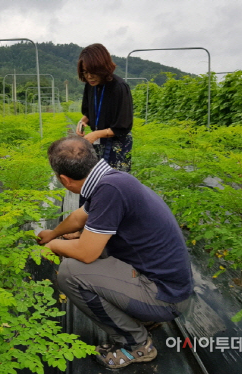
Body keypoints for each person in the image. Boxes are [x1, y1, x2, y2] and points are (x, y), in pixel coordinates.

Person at [37, 136, 194, 370]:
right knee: (90, 248)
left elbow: (87, 253)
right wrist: (53, 233)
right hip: (166, 284)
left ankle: (136, 345)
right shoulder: (112, 180)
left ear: (64, 180)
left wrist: (52, 246)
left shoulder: (110, 190)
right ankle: (142, 317)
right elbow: (80, 217)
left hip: (165, 297)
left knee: (70, 272)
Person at [76, 43, 133, 172]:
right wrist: (83, 121)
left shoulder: (119, 87)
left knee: (114, 180)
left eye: (93, 72)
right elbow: (90, 113)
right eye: (85, 72)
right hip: (97, 141)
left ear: (103, 68)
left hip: (117, 144)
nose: (89, 76)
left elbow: (122, 127)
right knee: (96, 178)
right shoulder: (90, 85)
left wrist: (96, 134)